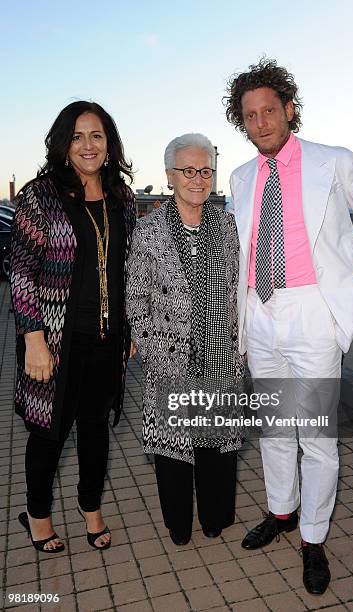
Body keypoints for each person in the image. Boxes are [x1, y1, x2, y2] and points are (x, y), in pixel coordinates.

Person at [224, 58, 353, 593]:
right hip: (260, 313)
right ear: (243, 122)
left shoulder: (333, 161)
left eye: (269, 111)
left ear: (289, 109)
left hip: (311, 313)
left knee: (317, 437)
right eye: (250, 116)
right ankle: (282, 513)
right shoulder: (240, 176)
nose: (261, 123)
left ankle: (314, 538)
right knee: (275, 430)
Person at [10, 101, 137, 552]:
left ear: (109, 144)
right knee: (49, 433)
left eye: (97, 136)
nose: (88, 145)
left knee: (95, 429)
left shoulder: (122, 198)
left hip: (107, 340)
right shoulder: (40, 195)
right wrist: (34, 341)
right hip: (57, 341)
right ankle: (38, 516)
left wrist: (133, 331)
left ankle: (91, 510)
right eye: (78, 136)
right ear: (64, 144)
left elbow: (131, 270)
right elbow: (22, 270)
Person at [126, 133, 245, 545]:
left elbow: (241, 289)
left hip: (221, 359)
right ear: (169, 176)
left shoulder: (227, 224)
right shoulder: (149, 230)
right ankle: (178, 524)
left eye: (206, 170)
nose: (198, 178)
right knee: (174, 452)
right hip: (170, 359)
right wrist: (157, 354)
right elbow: (136, 301)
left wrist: (239, 347)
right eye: (188, 170)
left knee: (215, 446)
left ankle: (214, 517)